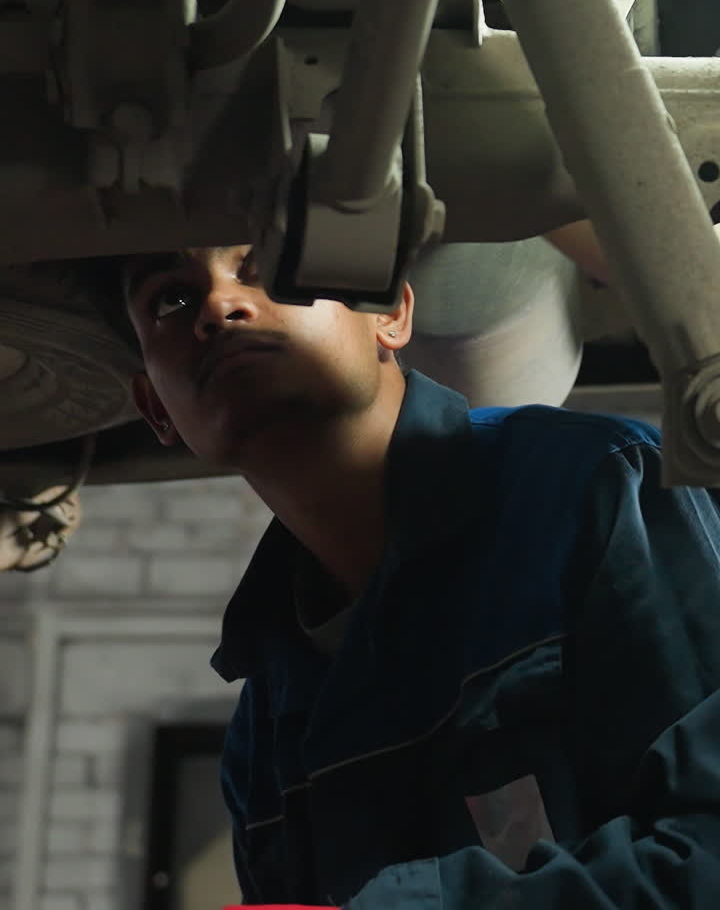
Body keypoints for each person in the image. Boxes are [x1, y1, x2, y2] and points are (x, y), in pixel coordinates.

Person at [125, 242, 720, 908]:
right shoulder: (263, 732)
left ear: (392, 314)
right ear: (156, 409)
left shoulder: (593, 486)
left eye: (268, 268)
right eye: (169, 300)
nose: (218, 304)